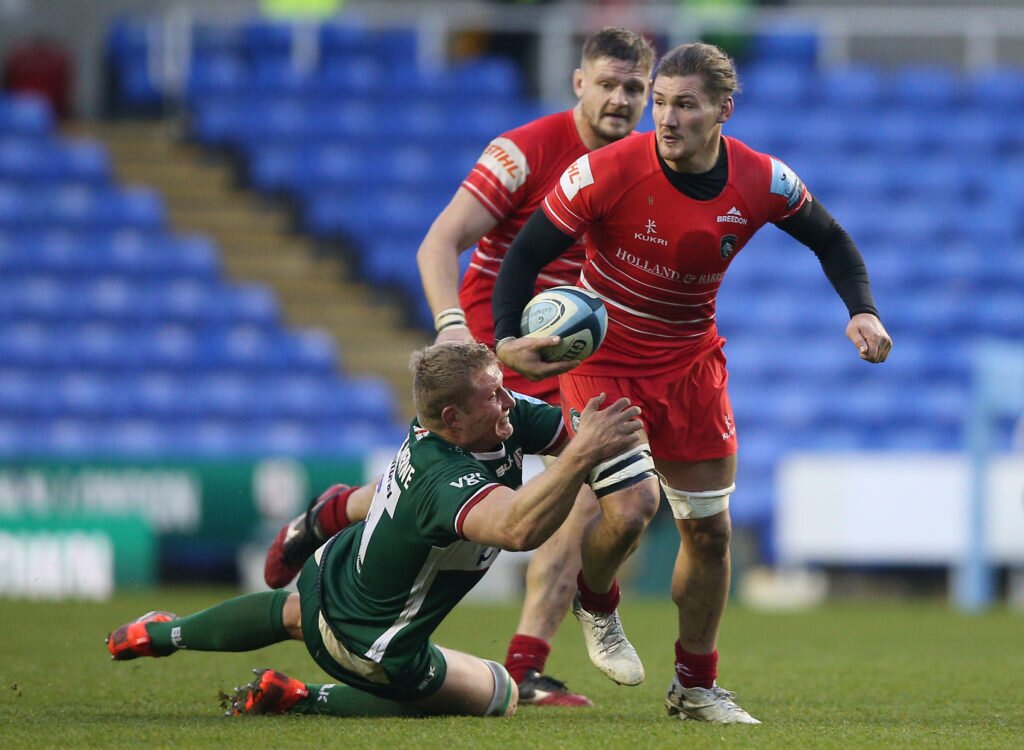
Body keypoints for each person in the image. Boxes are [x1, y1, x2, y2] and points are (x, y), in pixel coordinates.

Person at [490, 42, 893, 724]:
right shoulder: (604, 172)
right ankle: (597, 597)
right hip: (605, 360)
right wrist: (506, 342)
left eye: (685, 105)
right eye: (660, 104)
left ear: (723, 112)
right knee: (634, 505)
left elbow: (833, 239)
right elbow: (524, 253)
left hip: (692, 367)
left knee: (709, 534)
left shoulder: (764, 181)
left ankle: (695, 687)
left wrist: (862, 311)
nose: (666, 119)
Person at [262, 26, 657, 708]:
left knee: (591, 487)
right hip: (496, 349)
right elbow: (438, 242)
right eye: (608, 83)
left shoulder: (646, 166)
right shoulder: (524, 151)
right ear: (578, 83)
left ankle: (526, 666)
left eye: (634, 88)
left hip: (577, 357)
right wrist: (455, 332)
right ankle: (337, 514)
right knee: (439, 490)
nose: (620, 99)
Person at [107, 342, 643, 719]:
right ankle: (300, 697)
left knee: (295, 612)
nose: (509, 403)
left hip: (333, 569)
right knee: (497, 693)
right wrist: (581, 455)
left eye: (504, 391)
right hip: (372, 642)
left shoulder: (473, 418)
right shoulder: (443, 478)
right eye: (493, 396)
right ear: (452, 418)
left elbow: (562, 429)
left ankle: (159, 632)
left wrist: (593, 443)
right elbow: (518, 528)